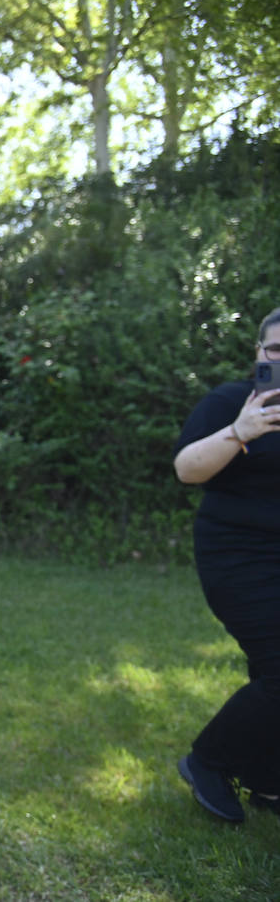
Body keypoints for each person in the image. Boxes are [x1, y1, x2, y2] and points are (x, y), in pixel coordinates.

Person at [173, 307, 280, 823]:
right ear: (258, 353)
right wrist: (240, 430)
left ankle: (266, 777)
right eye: (276, 351)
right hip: (237, 555)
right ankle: (208, 760)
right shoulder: (229, 401)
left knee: (270, 669)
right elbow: (186, 469)